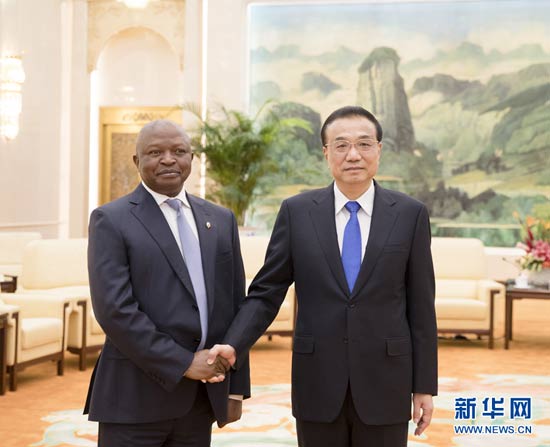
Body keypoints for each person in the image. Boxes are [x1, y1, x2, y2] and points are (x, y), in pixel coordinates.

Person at [208, 106, 438, 447]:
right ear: (326, 153)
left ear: (379, 150)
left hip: (387, 380)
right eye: (341, 145)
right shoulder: (297, 212)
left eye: (364, 144)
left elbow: (421, 306)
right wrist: (234, 342)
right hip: (317, 379)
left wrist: (424, 386)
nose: (353, 155)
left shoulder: (409, 214)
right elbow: (266, 291)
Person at [84, 119, 250, 447]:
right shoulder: (111, 220)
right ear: (137, 161)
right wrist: (184, 363)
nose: (168, 159)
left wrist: (235, 388)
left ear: (192, 158)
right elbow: (115, 311)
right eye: (155, 152)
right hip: (134, 399)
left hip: (201, 398)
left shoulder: (220, 219)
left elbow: (235, 305)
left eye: (178, 151)